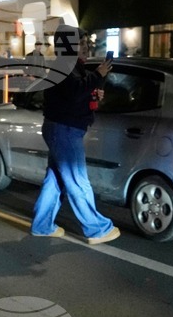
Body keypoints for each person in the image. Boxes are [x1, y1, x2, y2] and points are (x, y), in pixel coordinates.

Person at [30, 28, 120, 244]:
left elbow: (76, 94)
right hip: (64, 129)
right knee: (77, 180)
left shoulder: (71, 67)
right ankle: (96, 229)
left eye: (87, 43)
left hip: (63, 129)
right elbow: (73, 92)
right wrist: (97, 75)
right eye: (81, 43)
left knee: (56, 179)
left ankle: (42, 225)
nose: (86, 47)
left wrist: (94, 91)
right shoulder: (64, 66)